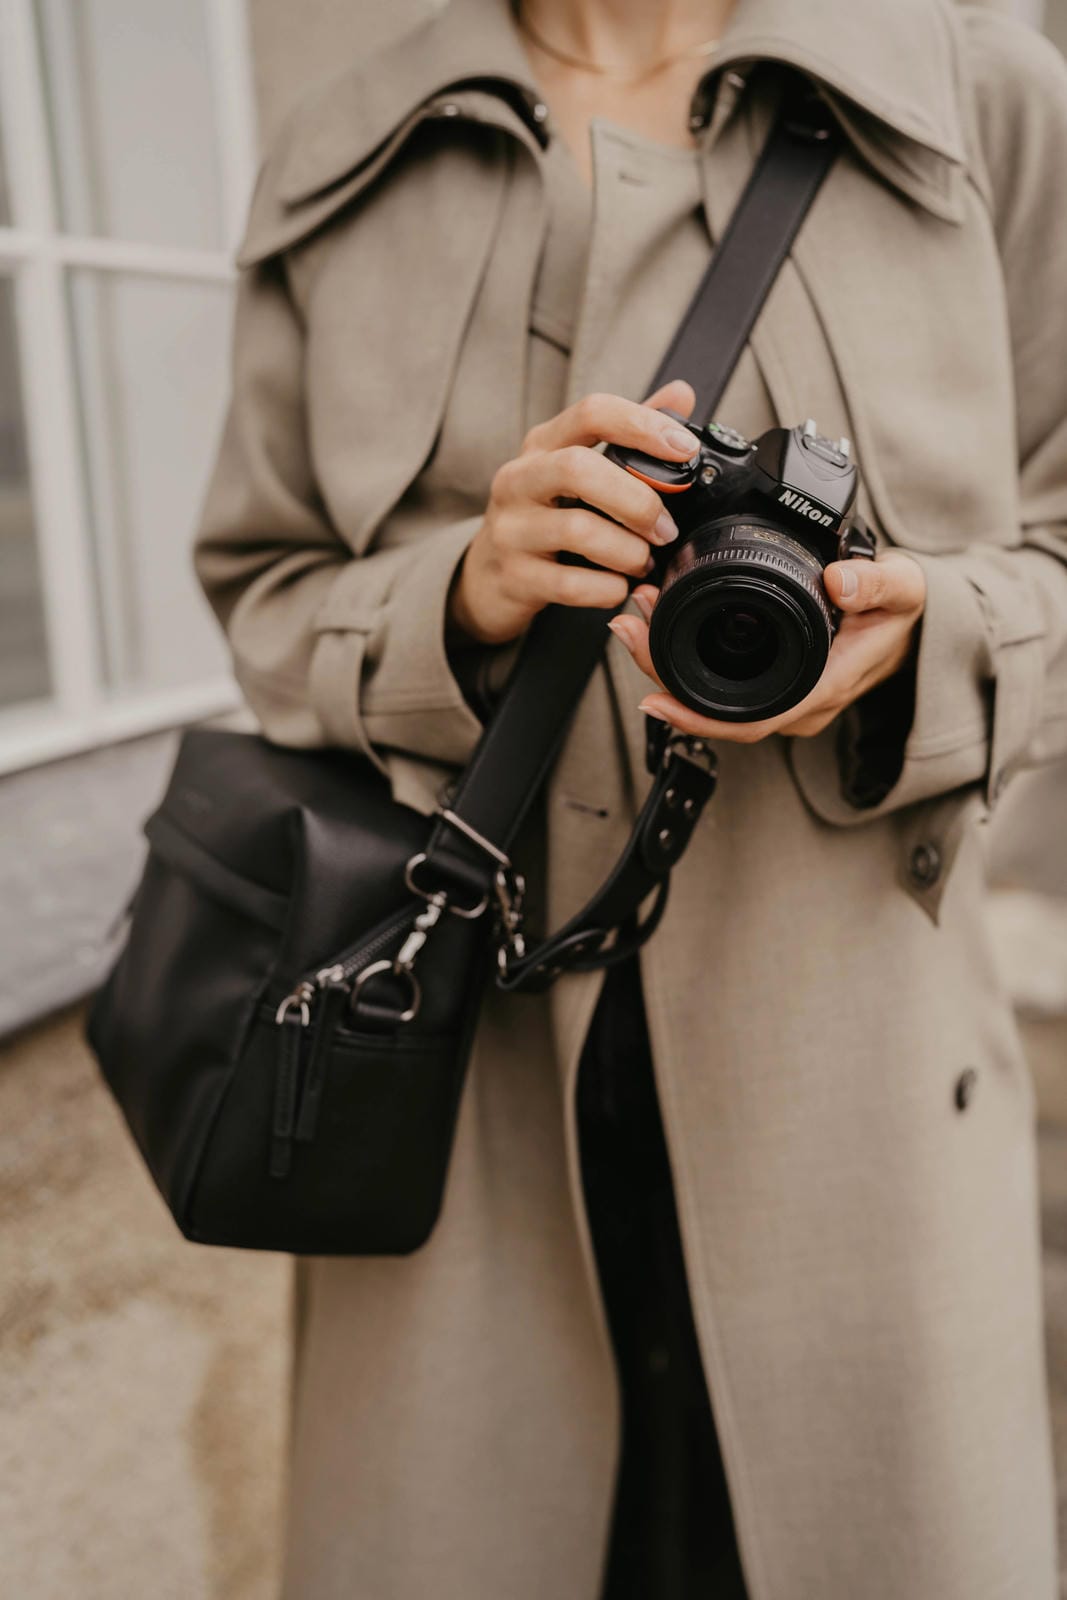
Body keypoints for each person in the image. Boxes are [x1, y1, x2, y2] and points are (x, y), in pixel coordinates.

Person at [194, 1, 1067, 1595]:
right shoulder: (348, 147)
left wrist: (932, 630)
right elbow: (262, 583)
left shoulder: (981, 96)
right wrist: (459, 597)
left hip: (865, 1108)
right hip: (458, 1100)